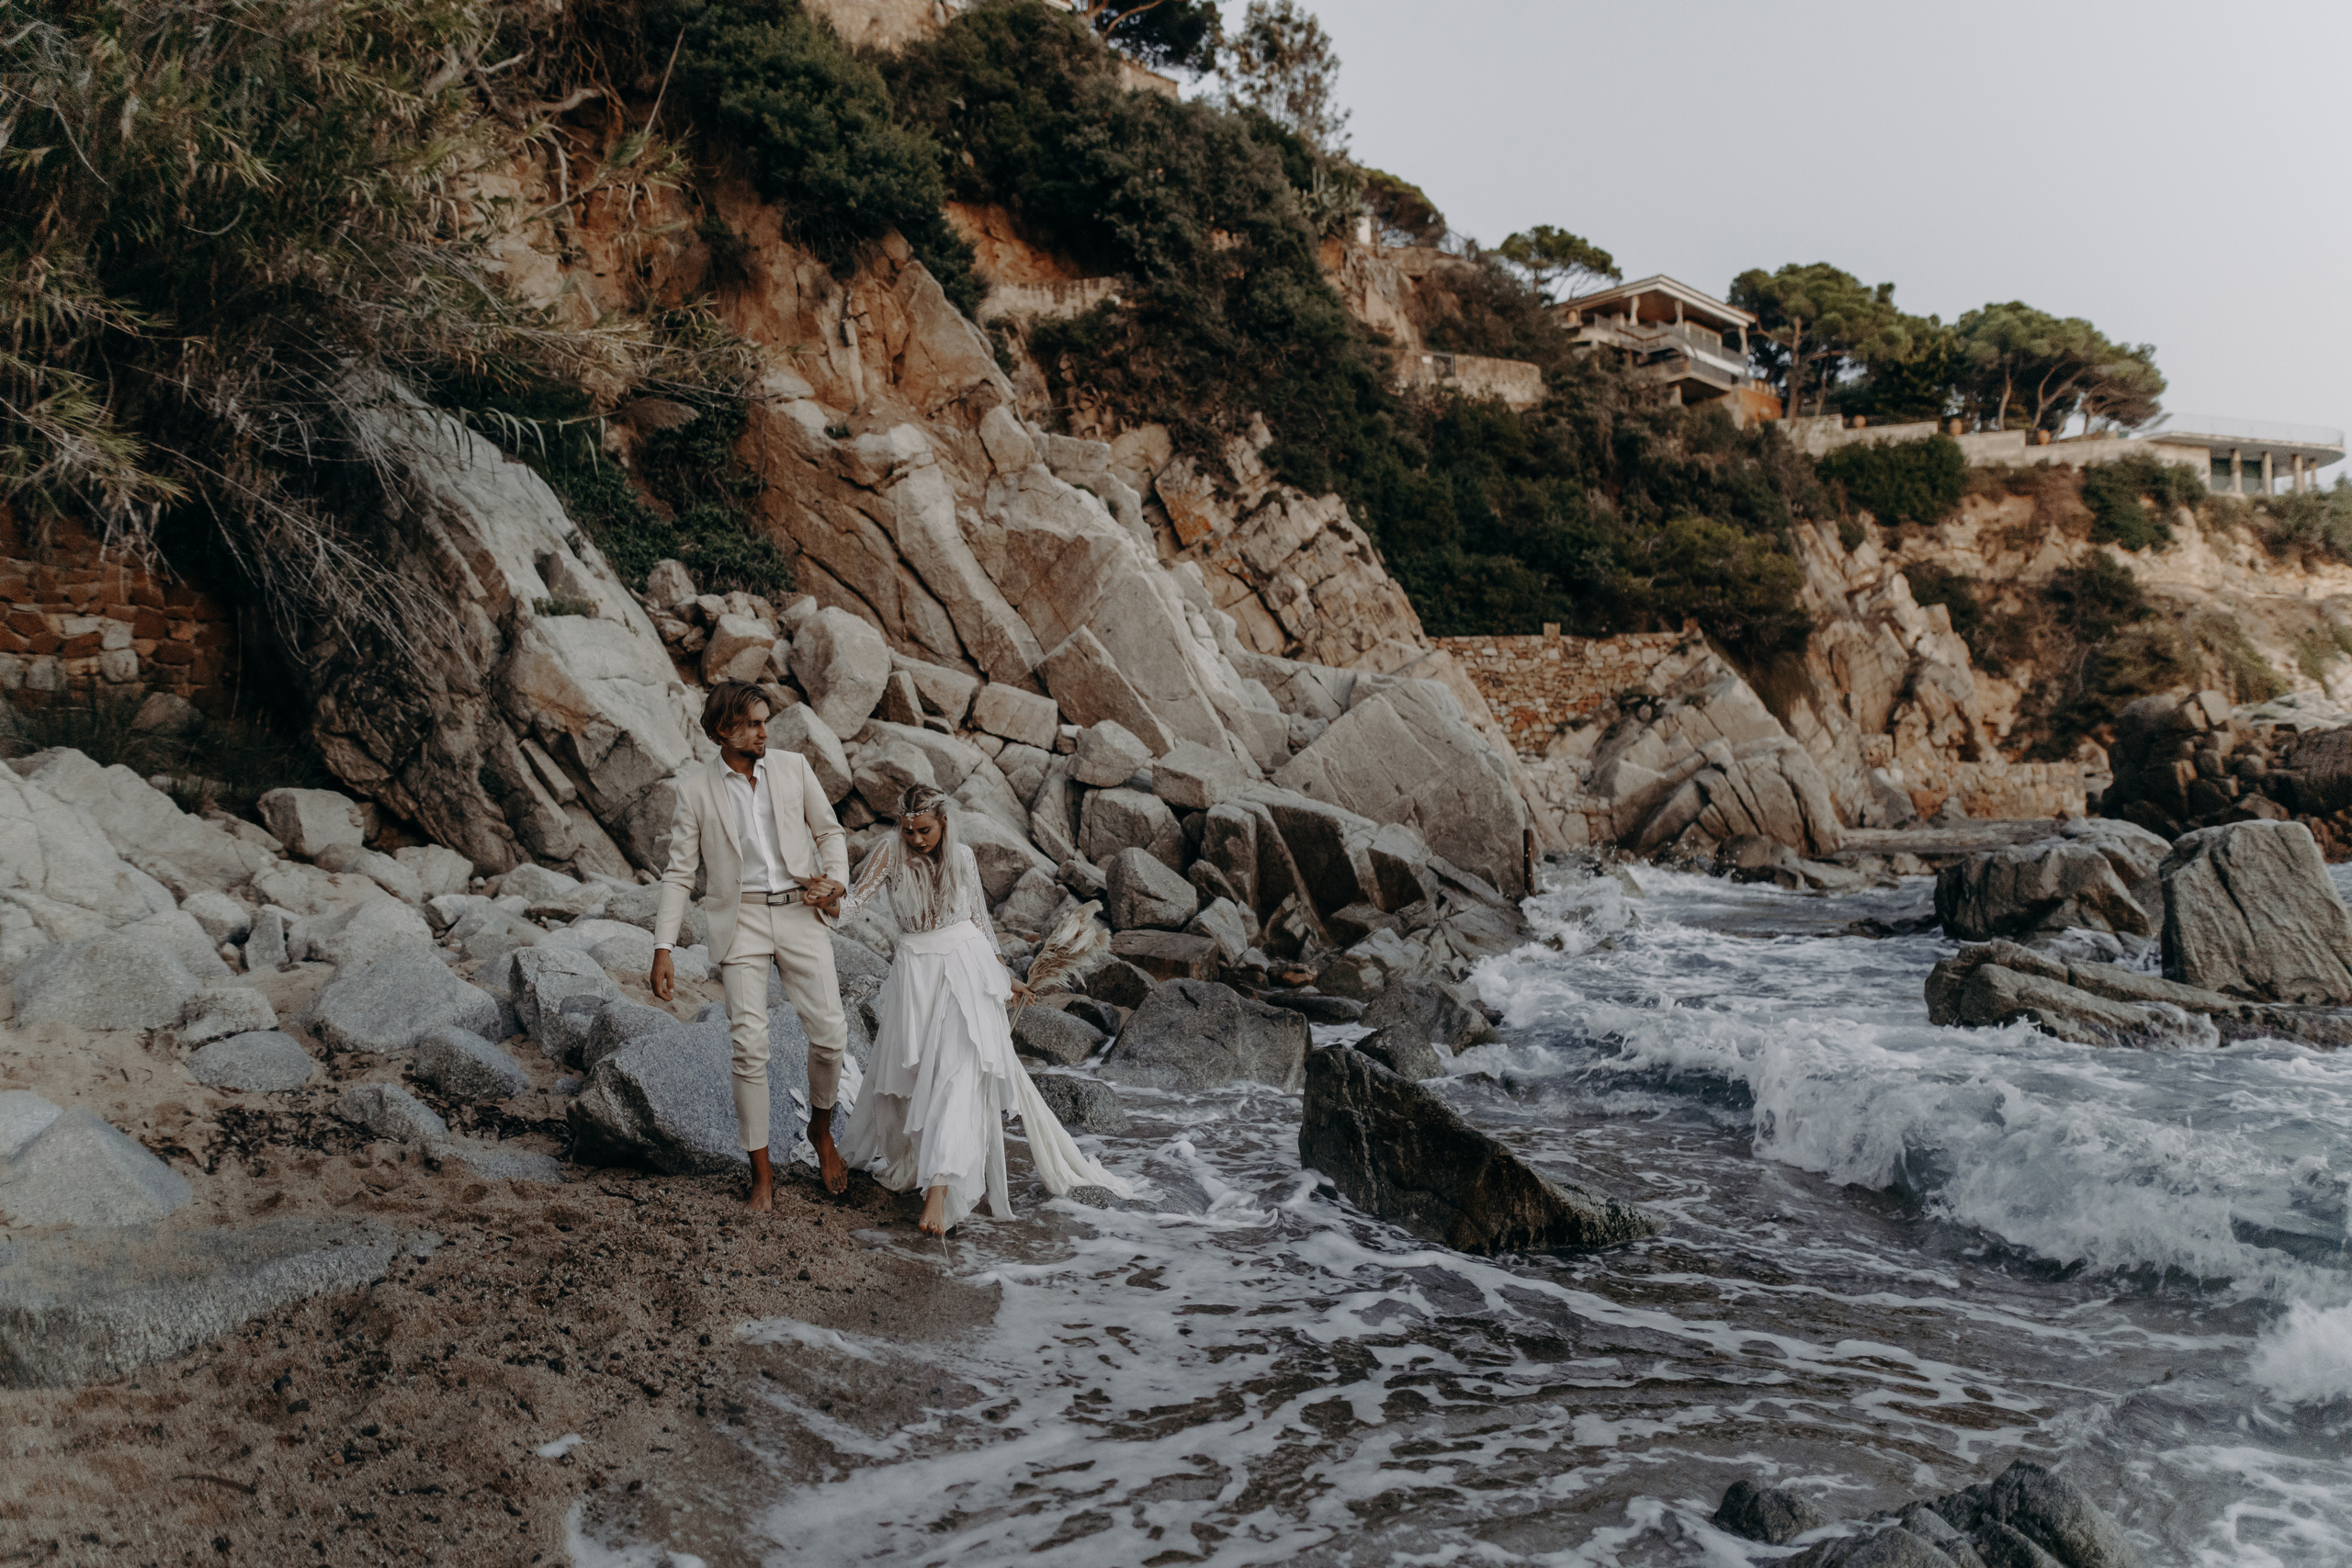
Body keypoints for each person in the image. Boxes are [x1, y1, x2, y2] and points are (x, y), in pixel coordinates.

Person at [832, 784, 1134, 1235]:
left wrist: (1003, 974)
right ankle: (918, 1164)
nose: (916, 839)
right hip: (916, 975)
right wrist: (824, 903)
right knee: (913, 1079)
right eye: (909, 829)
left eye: (926, 830)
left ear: (944, 822)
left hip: (967, 969)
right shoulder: (888, 853)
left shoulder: (964, 858)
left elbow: (979, 921)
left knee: (955, 1075)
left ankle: (938, 1192)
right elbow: (853, 904)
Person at [650, 681, 852, 1213]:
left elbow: (830, 833)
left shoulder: (793, 767)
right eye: (756, 724)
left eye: (767, 722)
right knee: (749, 1047)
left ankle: (821, 1129)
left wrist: (835, 880)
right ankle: (761, 1176)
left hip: (801, 912)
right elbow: (678, 875)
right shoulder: (695, 791)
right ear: (725, 730)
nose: (767, 732)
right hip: (740, 924)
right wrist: (663, 947)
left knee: (831, 1035)